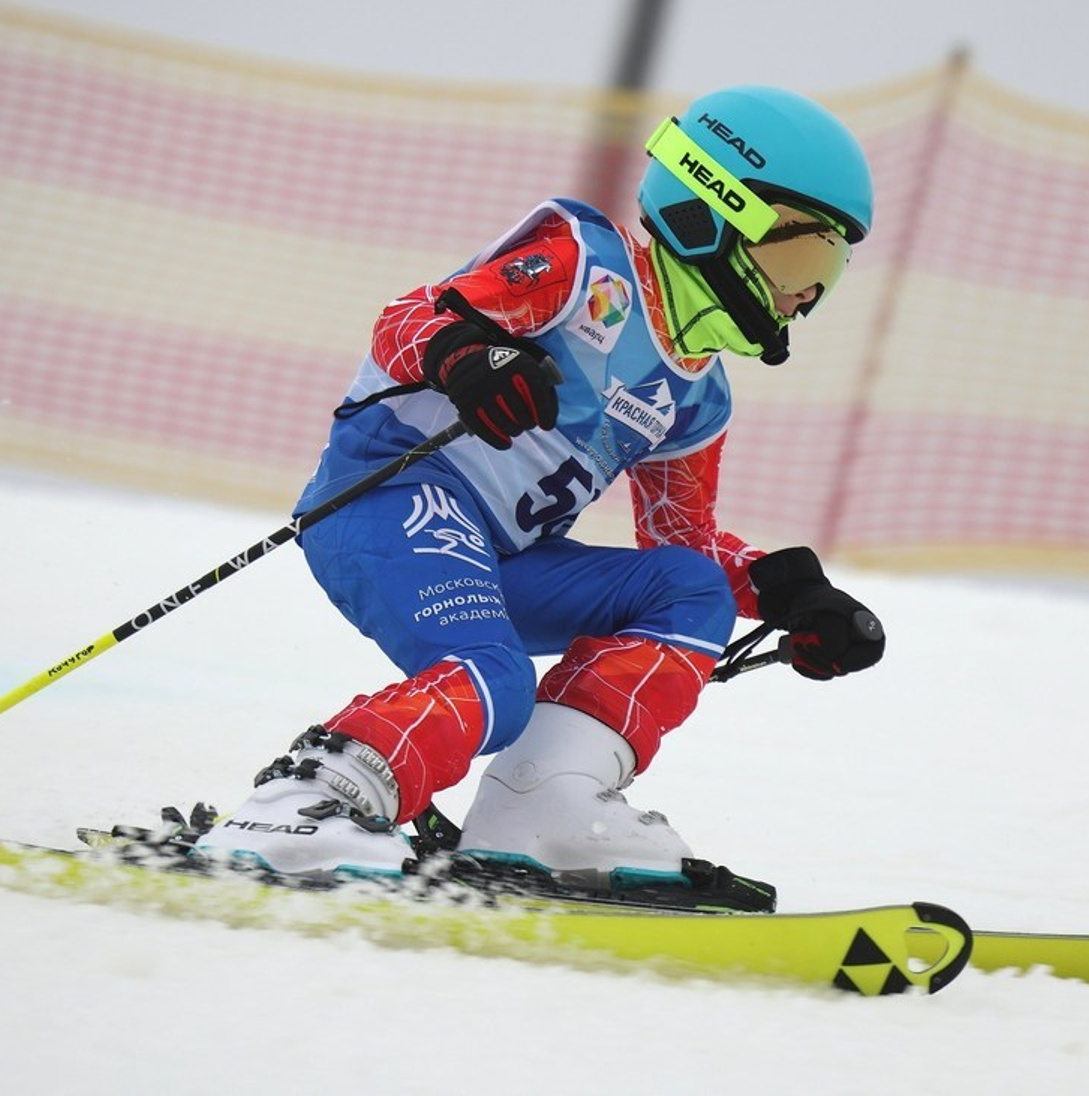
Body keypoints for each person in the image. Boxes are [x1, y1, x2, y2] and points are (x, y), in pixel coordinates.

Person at [193, 85, 886, 903]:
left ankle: (543, 807)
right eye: (799, 259)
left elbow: (682, 541)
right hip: (392, 500)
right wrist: (466, 355)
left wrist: (785, 591)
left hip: (505, 556)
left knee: (686, 590)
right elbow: (408, 318)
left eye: (827, 272)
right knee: (495, 680)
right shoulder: (587, 266)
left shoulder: (697, 394)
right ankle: (304, 804)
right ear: (711, 213)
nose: (806, 293)